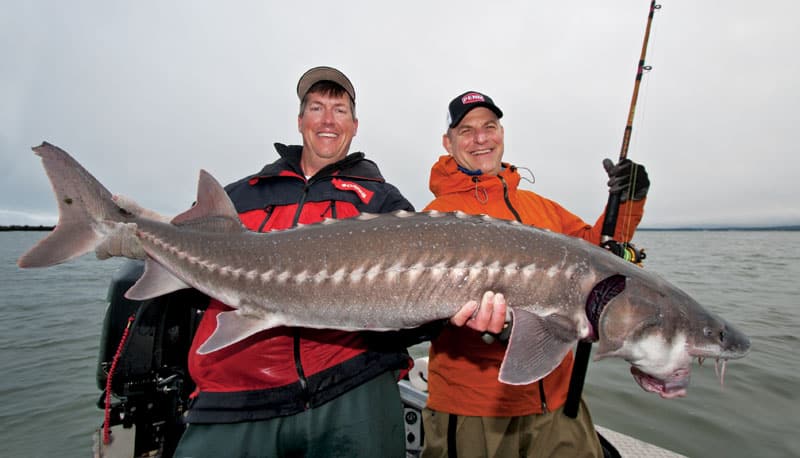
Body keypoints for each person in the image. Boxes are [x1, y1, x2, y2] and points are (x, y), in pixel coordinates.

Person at [420, 91, 650, 458]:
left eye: (489, 126)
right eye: (467, 130)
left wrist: (628, 200)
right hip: (474, 409)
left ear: (502, 133)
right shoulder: (437, 216)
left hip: (558, 401)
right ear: (448, 143)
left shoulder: (540, 208)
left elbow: (599, 253)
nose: (481, 138)